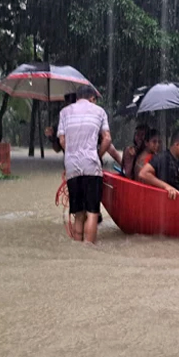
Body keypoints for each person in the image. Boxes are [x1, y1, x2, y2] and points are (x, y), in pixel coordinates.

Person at [57, 85, 112, 244]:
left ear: (77, 97)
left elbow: (62, 140)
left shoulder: (64, 112)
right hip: (91, 166)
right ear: (92, 98)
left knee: (78, 214)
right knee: (93, 212)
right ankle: (89, 251)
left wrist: (72, 154)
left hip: (72, 167)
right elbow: (107, 139)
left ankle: (78, 249)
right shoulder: (99, 112)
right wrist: (97, 155)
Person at [138, 130, 179, 200]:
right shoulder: (162, 157)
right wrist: (166, 186)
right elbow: (143, 173)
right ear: (177, 145)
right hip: (168, 200)